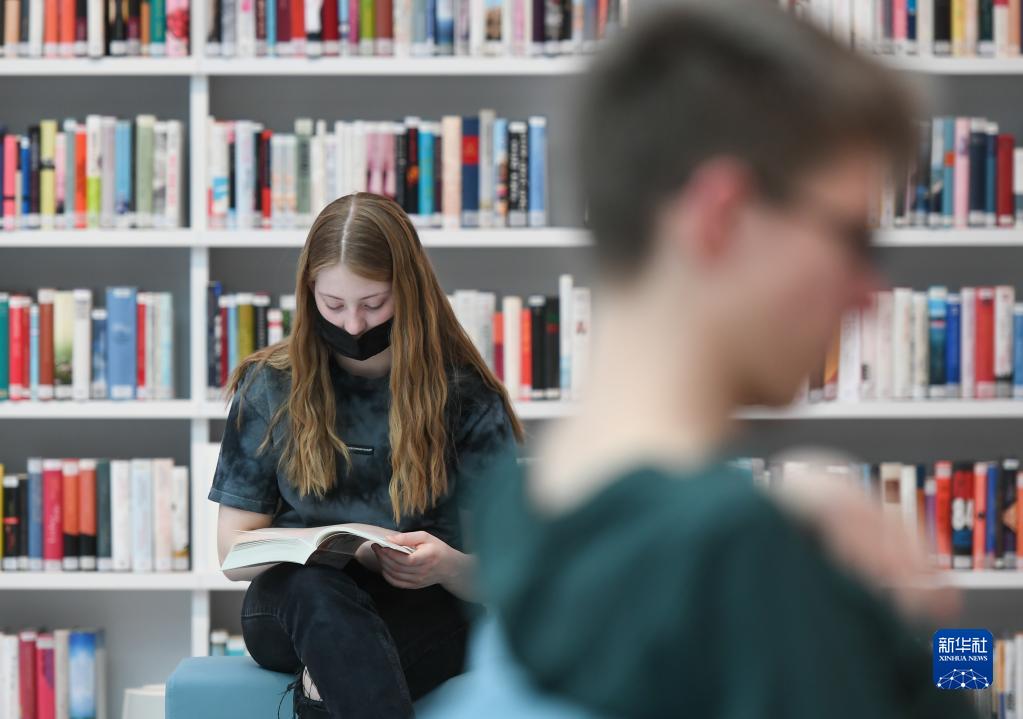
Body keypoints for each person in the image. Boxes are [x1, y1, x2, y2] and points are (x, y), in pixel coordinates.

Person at [462, 2, 978, 718]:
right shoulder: (741, 560)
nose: (870, 292)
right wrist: (937, 633)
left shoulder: (518, 508)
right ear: (721, 214)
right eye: (853, 238)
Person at [208, 192, 523, 719]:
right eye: (333, 305)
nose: (353, 325)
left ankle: (318, 694)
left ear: (409, 292)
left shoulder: (465, 395)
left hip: (425, 605)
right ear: (308, 294)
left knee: (342, 664)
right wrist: (333, 544)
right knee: (316, 594)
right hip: (293, 605)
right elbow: (231, 552)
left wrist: (448, 566)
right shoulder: (269, 385)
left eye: (374, 304)